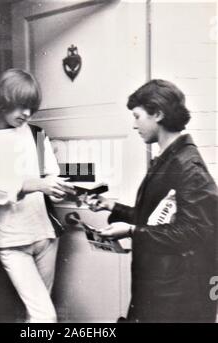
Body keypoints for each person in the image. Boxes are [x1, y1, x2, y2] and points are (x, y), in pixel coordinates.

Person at [87, 79, 218, 322]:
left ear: (157, 114)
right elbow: (158, 218)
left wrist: (131, 231)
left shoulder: (187, 166)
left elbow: (193, 231)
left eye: (137, 116)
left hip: (177, 297)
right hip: (161, 286)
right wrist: (113, 207)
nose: (134, 125)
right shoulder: (170, 158)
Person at [0, 68, 75, 323]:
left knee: (34, 316)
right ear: (4, 101)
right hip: (10, 240)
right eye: (22, 106)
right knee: (45, 316)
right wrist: (37, 185)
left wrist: (60, 188)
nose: (27, 114)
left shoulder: (36, 133)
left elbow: (52, 175)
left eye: (32, 108)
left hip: (45, 236)